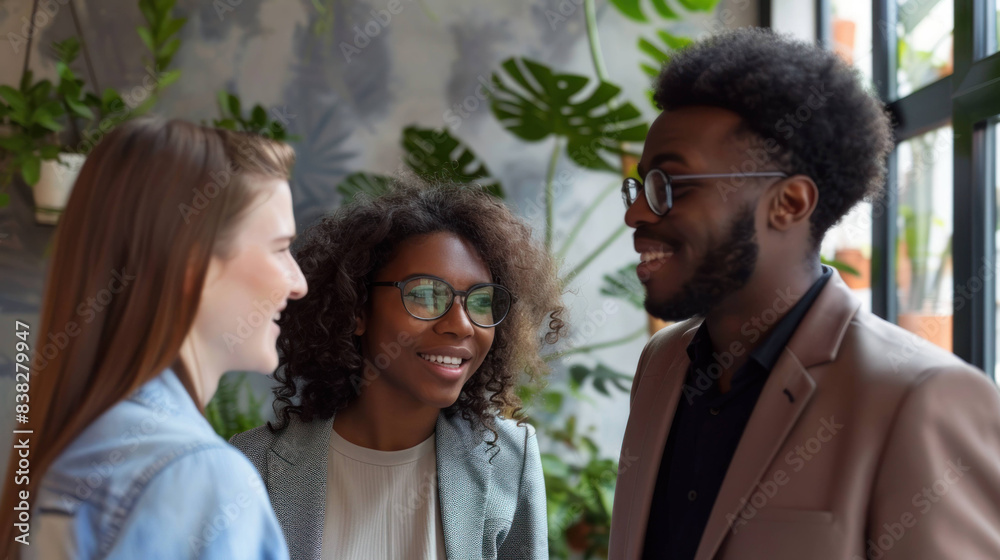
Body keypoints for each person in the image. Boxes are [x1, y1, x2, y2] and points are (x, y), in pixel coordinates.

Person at [609, 28, 1000, 559]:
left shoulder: (918, 397)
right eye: (639, 187)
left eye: (670, 186)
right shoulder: (662, 363)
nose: (636, 213)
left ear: (789, 203)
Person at [0, 117, 307, 559]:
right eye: (280, 247)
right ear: (194, 265)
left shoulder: (75, 447)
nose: (298, 282)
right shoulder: (198, 478)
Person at [230, 180, 565, 560]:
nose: (461, 324)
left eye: (481, 300)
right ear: (357, 309)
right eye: (425, 295)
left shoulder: (510, 458)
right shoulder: (252, 465)